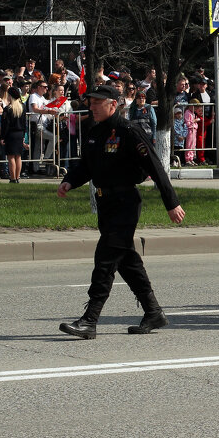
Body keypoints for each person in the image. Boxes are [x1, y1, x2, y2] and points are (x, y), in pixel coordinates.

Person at [57, 83, 185, 339]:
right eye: (90, 102)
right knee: (127, 261)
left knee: (104, 260)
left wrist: (171, 202)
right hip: (106, 203)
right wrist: (70, 180)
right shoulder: (95, 131)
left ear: (113, 104)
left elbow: (156, 166)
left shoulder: (129, 131)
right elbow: (88, 165)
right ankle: (153, 312)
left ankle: (89, 320)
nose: (91, 107)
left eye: (97, 103)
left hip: (125, 203)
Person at [0, 86, 28, 183]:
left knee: (11, 157)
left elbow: (5, 125)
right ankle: (18, 177)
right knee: (18, 156)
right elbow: (24, 123)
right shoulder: (23, 107)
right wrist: (24, 135)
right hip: (20, 134)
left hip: (11, 134)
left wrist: (3, 137)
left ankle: (12, 178)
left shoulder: (7, 109)